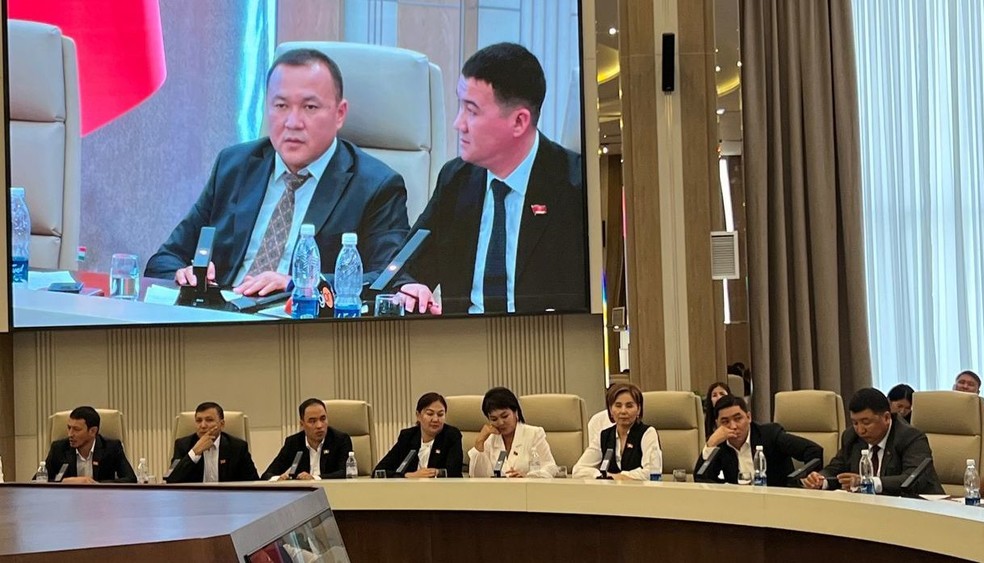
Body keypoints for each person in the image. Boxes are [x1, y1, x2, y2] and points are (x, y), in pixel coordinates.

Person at [146, 48, 410, 296]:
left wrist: (299, 284)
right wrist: (184, 274)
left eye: (310, 107)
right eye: (281, 106)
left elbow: (388, 279)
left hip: (299, 321)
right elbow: (164, 260)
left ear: (340, 114)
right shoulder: (234, 166)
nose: (292, 123)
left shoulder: (376, 186)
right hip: (222, 316)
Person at [397, 42, 585, 315]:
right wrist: (409, 286)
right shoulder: (456, 180)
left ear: (519, 122)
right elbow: (406, 266)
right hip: (463, 338)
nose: (458, 124)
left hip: (543, 338)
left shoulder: (575, 188)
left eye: (472, 111)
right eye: (461, 107)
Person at [801, 388, 944, 495]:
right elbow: (835, 468)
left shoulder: (910, 437)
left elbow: (913, 480)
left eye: (866, 422)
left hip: (921, 510)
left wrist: (867, 482)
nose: (860, 430)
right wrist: (820, 479)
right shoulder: (851, 437)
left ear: (886, 418)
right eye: (855, 423)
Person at [694, 395, 822, 486]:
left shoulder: (770, 435)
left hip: (777, 502)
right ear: (717, 424)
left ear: (749, 417)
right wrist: (710, 444)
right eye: (725, 421)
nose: (733, 426)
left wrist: (806, 479)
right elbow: (700, 479)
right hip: (739, 507)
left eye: (738, 419)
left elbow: (813, 450)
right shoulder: (719, 445)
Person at [573, 383, 662, 480]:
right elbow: (578, 470)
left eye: (629, 406)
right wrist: (601, 476)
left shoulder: (648, 433)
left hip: (639, 489)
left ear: (639, 409)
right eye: (618, 406)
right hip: (609, 489)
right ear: (610, 410)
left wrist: (618, 477)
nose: (623, 411)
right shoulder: (604, 436)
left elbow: (651, 472)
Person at [468, 387, 559, 478]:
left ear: (516, 412)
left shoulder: (534, 434)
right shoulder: (490, 439)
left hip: (527, 486)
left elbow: (550, 467)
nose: (500, 423)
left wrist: (528, 477)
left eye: (505, 416)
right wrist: (479, 441)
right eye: (494, 419)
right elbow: (477, 476)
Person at [373, 392, 463, 478]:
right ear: (418, 415)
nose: (435, 419)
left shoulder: (451, 436)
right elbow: (378, 472)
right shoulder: (408, 436)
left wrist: (435, 473)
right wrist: (408, 476)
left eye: (440, 414)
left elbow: (455, 473)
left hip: (440, 487)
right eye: (430, 414)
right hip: (410, 487)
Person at [166, 402, 259, 483]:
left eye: (209, 420)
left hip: (227, 497)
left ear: (222, 424)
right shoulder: (183, 445)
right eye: (199, 421)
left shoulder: (237, 447)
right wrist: (194, 452)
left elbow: (253, 482)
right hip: (194, 497)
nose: (203, 425)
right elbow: (171, 480)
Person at [262, 398, 352, 480]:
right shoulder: (293, 443)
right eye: (312, 421)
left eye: (323, 419)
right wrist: (278, 478)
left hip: (332, 490)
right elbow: (267, 475)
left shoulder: (340, 440)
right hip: (303, 492)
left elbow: (346, 472)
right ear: (302, 424)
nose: (319, 425)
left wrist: (314, 478)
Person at [43, 406, 136, 483]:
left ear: (93, 431)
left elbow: (131, 479)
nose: (70, 434)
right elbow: (39, 480)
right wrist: (64, 482)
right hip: (69, 498)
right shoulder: (59, 449)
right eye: (69, 428)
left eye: (76, 429)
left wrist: (95, 485)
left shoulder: (111, 448)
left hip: (102, 499)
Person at [952, 370, 984, 435]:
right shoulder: (943, 408)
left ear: (978, 392)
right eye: (961, 382)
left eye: (971, 384)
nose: (965, 386)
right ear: (954, 387)